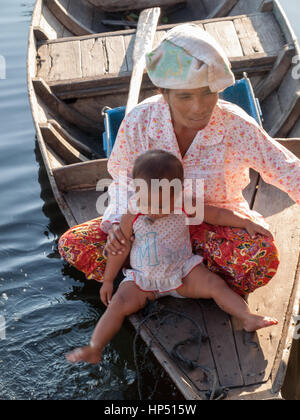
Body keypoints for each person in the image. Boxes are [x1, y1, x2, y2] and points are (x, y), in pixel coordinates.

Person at [59, 24, 300, 310]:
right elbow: (123, 180)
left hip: (214, 223)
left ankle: (158, 278)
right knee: (73, 245)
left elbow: (288, 170)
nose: (199, 107)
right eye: (185, 96)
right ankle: (180, 278)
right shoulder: (140, 121)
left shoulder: (235, 124)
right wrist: (117, 226)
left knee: (260, 259)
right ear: (163, 91)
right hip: (149, 227)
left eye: (208, 93)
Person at [66, 150, 278, 364]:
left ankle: (247, 317)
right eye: (146, 201)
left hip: (184, 272)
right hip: (143, 280)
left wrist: (246, 222)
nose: (153, 210)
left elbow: (218, 214)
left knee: (216, 285)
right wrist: (109, 280)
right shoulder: (132, 213)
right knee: (118, 304)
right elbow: (120, 247)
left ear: (176, 192)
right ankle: (95, 347)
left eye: (160, 204)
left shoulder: (184, 205)